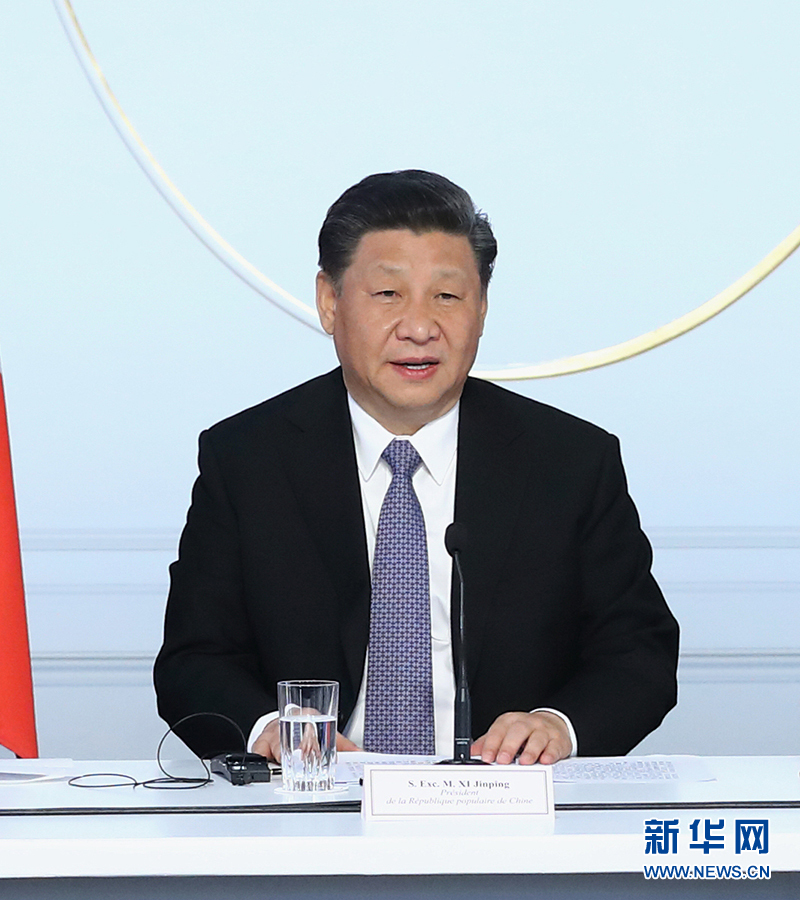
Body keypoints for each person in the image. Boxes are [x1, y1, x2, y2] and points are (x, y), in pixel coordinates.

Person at [154, 170, 678, 766]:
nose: (421, 327)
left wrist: (557, 725)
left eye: (447, 297)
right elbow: (194, 661)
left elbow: (639, 654)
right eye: (388, 294)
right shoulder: (247, 458)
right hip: (316, 795)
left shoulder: (570, 461)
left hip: (502, 799)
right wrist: (269, 728)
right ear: (329, 301)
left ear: (482, 308)